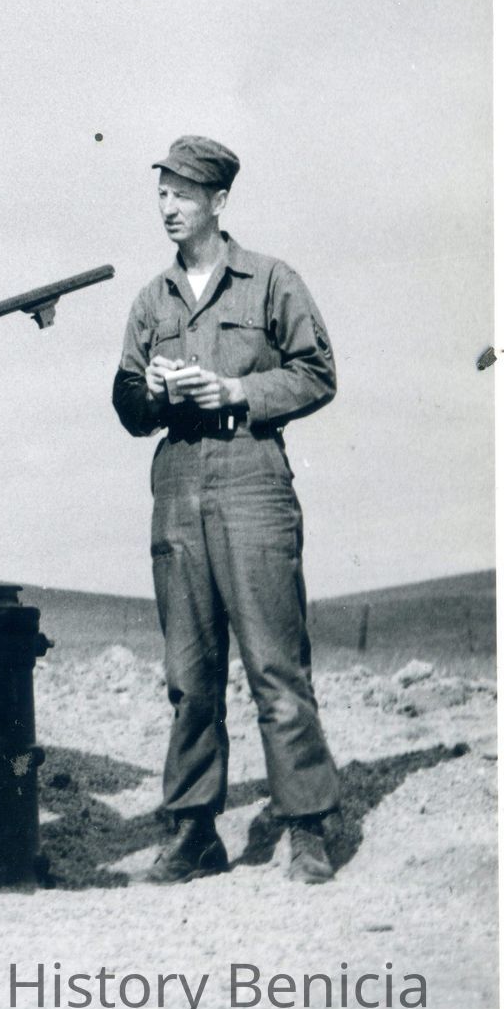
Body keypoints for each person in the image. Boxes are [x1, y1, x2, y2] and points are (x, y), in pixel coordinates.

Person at [110, 136, 342, 886]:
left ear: (219, 201)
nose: (168, 207)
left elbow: (317, 372)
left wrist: (239, 391)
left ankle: (307, 824)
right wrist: (153, 392)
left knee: (275, 661)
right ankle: (193, 830)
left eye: (183, 194)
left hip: (251, 471)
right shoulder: (152, 299)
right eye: (162, 193)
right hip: (177, 479)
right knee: (189, 672)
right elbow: (126, 403)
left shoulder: (271, 280)